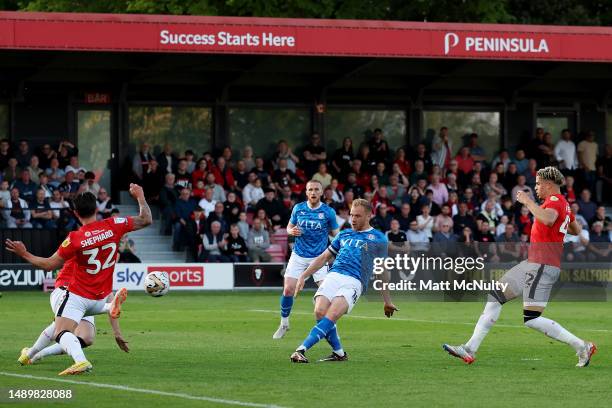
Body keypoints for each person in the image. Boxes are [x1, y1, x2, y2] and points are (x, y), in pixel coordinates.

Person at [443, 167, 596, 367]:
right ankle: (469, 348)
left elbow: (548, 219)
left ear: (549, 185)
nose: (536, 187)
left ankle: (581, 346)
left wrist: (527, 201)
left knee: (531, 318)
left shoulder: (556, 202)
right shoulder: (563, 205)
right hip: (534, 263)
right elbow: (576, 229)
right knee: (495, 295)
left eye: (539, 183)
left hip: (543, 264)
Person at [9, 184, 152, 375]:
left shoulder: (75, 239)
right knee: (70, 327)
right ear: (97, 208)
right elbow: (146, 219)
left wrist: (24, 253)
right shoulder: (114, 224)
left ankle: (80, 361)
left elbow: (49, 265)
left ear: (75, 213)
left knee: (61, 332)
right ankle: (108, 307)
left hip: (78, 295)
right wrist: (140, 196)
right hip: (99, 297)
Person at [291, 199, 397, 363]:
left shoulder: (378, 238)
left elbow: (383, 271)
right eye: (351, 215)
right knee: (320, 312)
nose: (353, 219)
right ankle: (339, 353)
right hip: (333, 276)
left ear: (369, 216)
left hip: (354, 281)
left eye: (358, 216)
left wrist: (387, 300)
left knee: (332, 314)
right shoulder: (344, 234)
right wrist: (303, 276)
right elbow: (324, 257)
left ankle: (301, 349)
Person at [273, 180, 339, 339]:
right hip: (298, 255)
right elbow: (289, 227)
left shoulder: (328, 212)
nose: (313, 192)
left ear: (321, 193)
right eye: (311, 189)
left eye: (317, 189)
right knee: (288, 289)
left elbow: (336, 234)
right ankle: (284, 323)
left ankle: (328, 327)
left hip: (320, 257)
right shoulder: (298, 208)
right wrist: (292, 231)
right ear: (306, 192)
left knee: (326, 294)